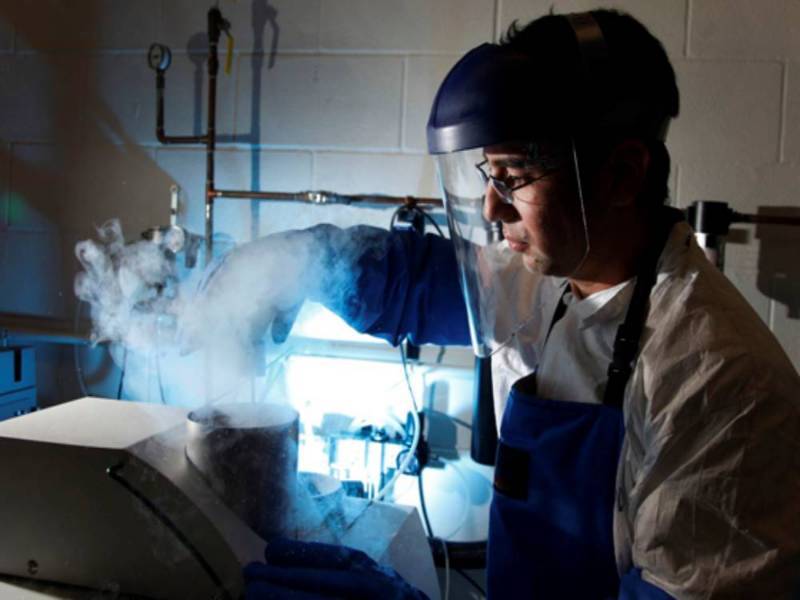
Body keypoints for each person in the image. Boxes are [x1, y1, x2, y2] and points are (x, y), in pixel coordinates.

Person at [216, 9, 800, 599]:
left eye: (515, 174)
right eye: (488, 174)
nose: (493, 210)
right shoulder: (557, 279)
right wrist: (292, 260)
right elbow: (416, 281)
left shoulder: (718, 383)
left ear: (621, 176)